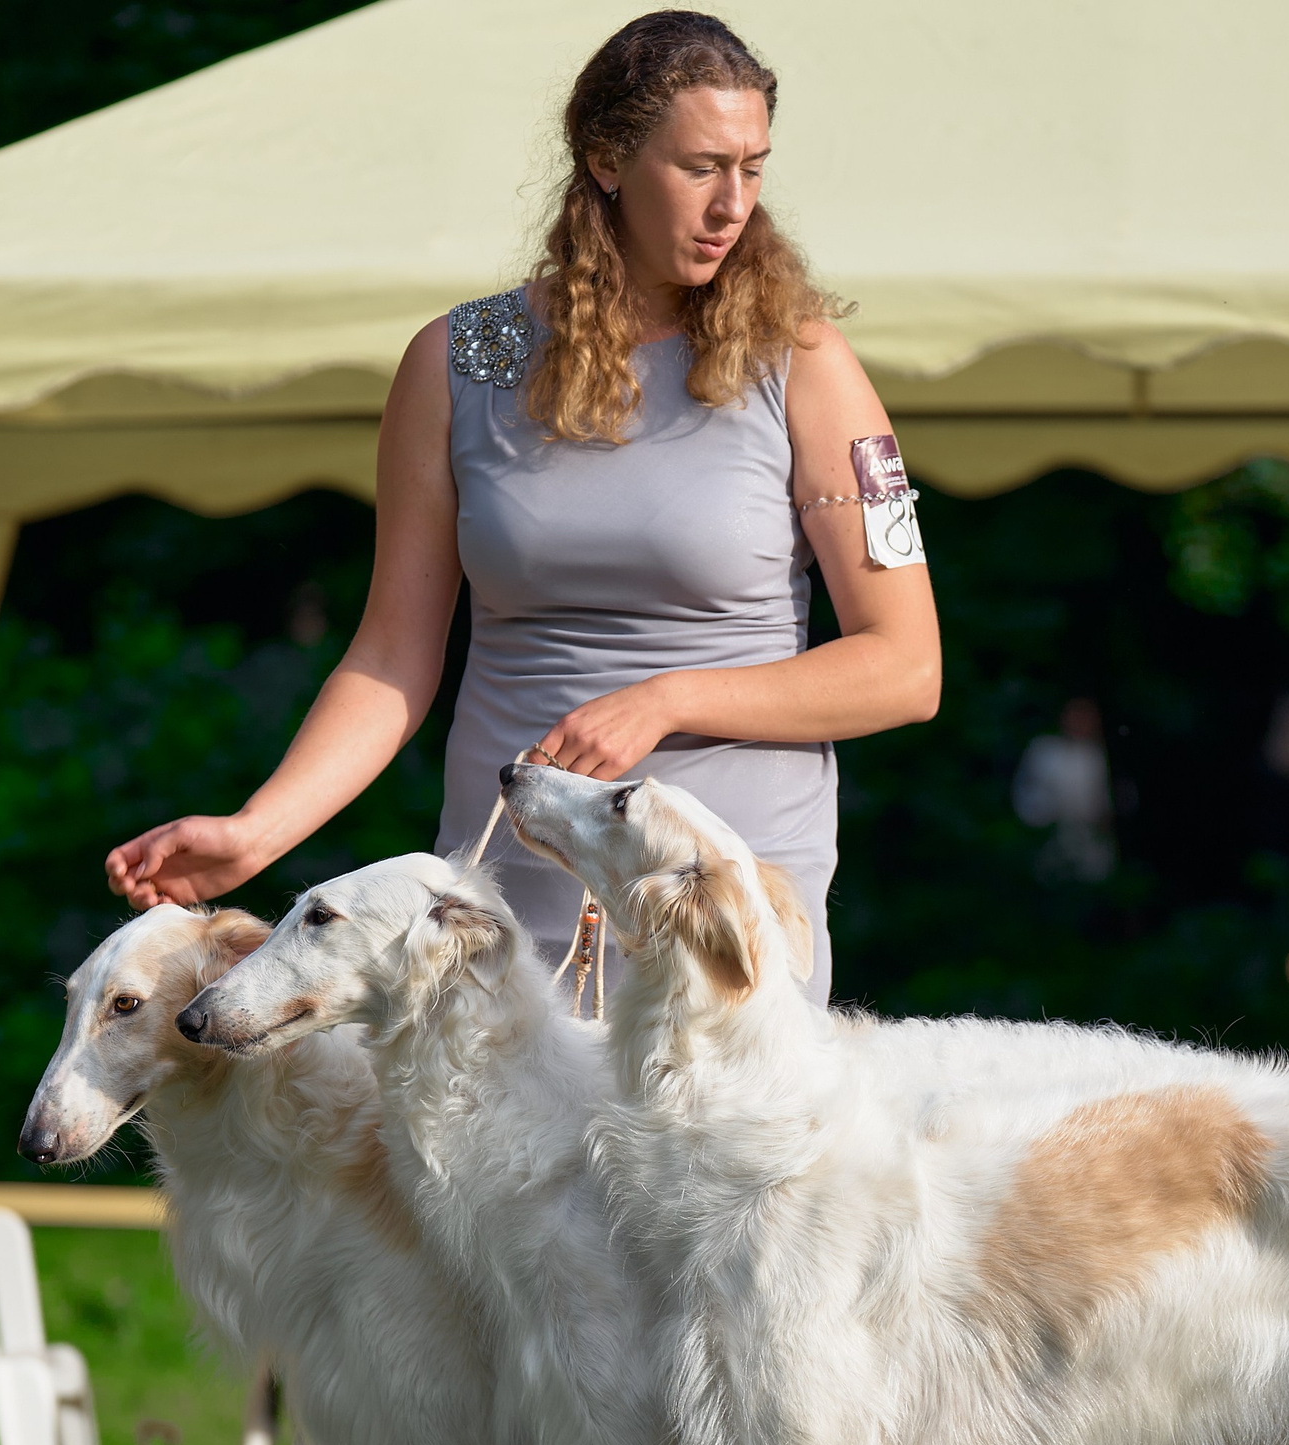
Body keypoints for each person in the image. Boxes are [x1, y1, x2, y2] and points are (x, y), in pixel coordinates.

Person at [104, 10, 940, 1005]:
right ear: (606, 159)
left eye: (752, 169)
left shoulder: (804, 362)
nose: (732, 204)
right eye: (700, 168)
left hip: (721, 917)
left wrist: (666, 700)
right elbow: (391, 656)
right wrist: (257, 832)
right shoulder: (458, 361)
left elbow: (907, 666)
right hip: (506, 901)